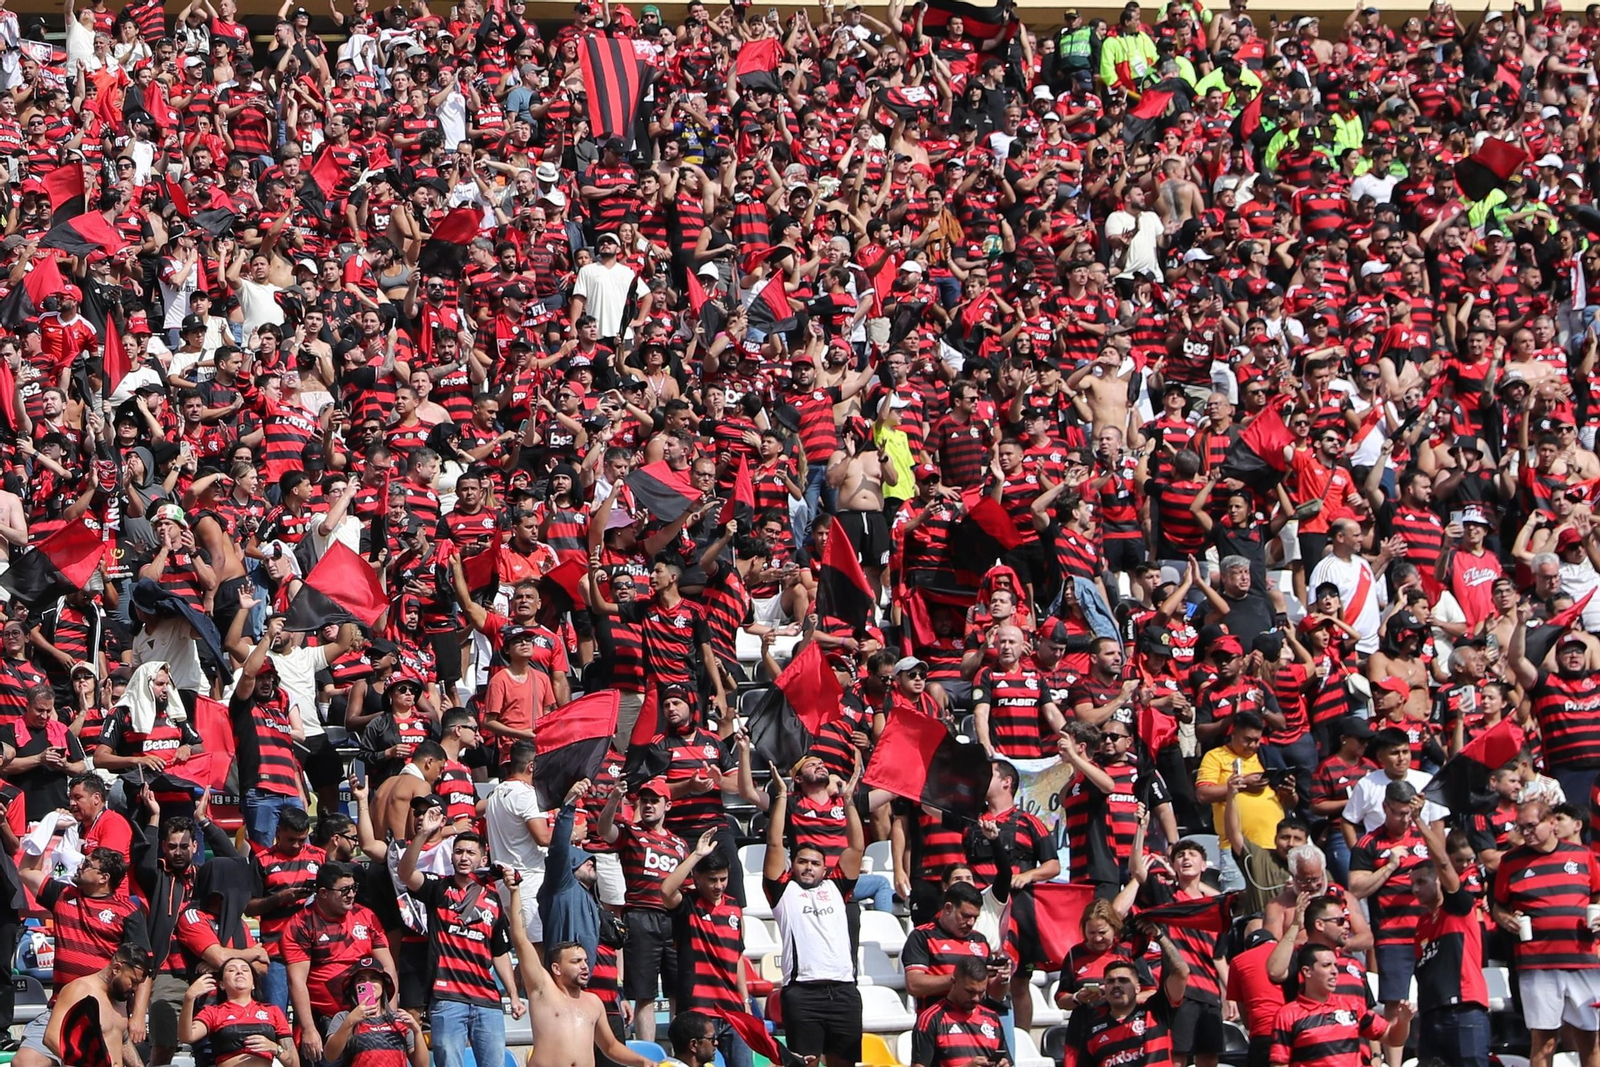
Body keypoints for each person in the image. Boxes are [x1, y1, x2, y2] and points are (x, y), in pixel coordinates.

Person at [397, 805, 524, 1067]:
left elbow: (499, 951)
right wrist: (423, 835)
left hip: (487, 1001)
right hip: (447, 999)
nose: (464, 858)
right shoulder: (438, 887)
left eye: (470, 853)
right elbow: (405, 874)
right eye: (458, 852)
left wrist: (512, 994)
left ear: (483, 859)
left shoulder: (492, 898)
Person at [763, 755, 865, 1067]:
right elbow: (775, 844)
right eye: (802, 861)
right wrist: (781, 796)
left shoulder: (837, 887)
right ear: (793, 866)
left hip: (845, 991)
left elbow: (857, 847)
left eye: (815, 863)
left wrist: (848, 801)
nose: (808, 867)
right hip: (802, 994)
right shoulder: (782, 891)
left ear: (825, 868)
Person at [503, 874, 661, 1067]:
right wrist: (514, 892)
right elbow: (520, 939)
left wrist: (643, 1061)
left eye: (585, 960)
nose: (585, 965)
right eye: (576, 961)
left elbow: (610, 1047)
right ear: (556, 968)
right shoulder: (542, 990)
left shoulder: (594, 1002)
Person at [1490, 799, 1600, 1067]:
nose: (1525, 833)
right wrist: (1506, 920)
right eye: (1521, 827)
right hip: (1537, 963)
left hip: (1583, 959)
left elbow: (1597, 894)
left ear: (1551, 822)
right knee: (1544, 1039)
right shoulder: (1511, 861)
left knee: (1590, 1039)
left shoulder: (1583, 856)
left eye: (1531, 826)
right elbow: (1498, 906)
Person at [280, 862, 397, 1065]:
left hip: (367, 1016)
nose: (351, 894)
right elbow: (296, 982)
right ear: (323, 893)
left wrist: (390, 1016)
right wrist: (309, 1029)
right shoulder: (301, 924)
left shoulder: (366, 916)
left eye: (354, 888)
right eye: (344, 890)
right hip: (324, 1019)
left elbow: (388, 968)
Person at [1059, 919, 1190, 1067]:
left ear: (1138, 988)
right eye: (1110, 981)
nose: (1116, 985)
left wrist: (1159, 936)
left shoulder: (1156, 1011)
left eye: (1123, 980)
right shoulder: (1093, 1031)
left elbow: (1181, 971)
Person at [1269, 943, 1413, 1066]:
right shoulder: (1288, 1015)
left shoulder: (1352, 1005)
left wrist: (1403, 1021)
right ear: (1307, 972)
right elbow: (1280, 1063)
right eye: (1326, 966)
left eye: (1335, 965)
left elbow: (1393, 1038)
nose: (1334, 971)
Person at [12, 943, 151, 1067]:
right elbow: (51, 1037)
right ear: (116, 968)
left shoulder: (121, 995)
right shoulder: (80, 990)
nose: (135, 989)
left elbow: (122, 1040)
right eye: (133, 981)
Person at [179, 960, 297, 1067]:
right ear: (221, 985)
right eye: (231, 970)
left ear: (253, 984)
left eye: (245, 970)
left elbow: (294, 1064)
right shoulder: (213, 1012)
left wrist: (275, 1048)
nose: (239, 972)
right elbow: (187, 1036)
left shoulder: (272, 1011)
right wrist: (189, 998)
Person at [321, 957, 428, 1067]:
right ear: (353, 987)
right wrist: (350, 1021)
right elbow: (330, 1056)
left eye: (374, 978)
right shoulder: (344, 1017)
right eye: (360, 980)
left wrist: (417, 1031)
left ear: (383, 985)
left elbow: (422, 1065)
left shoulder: (400, 1019)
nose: (368, 983)